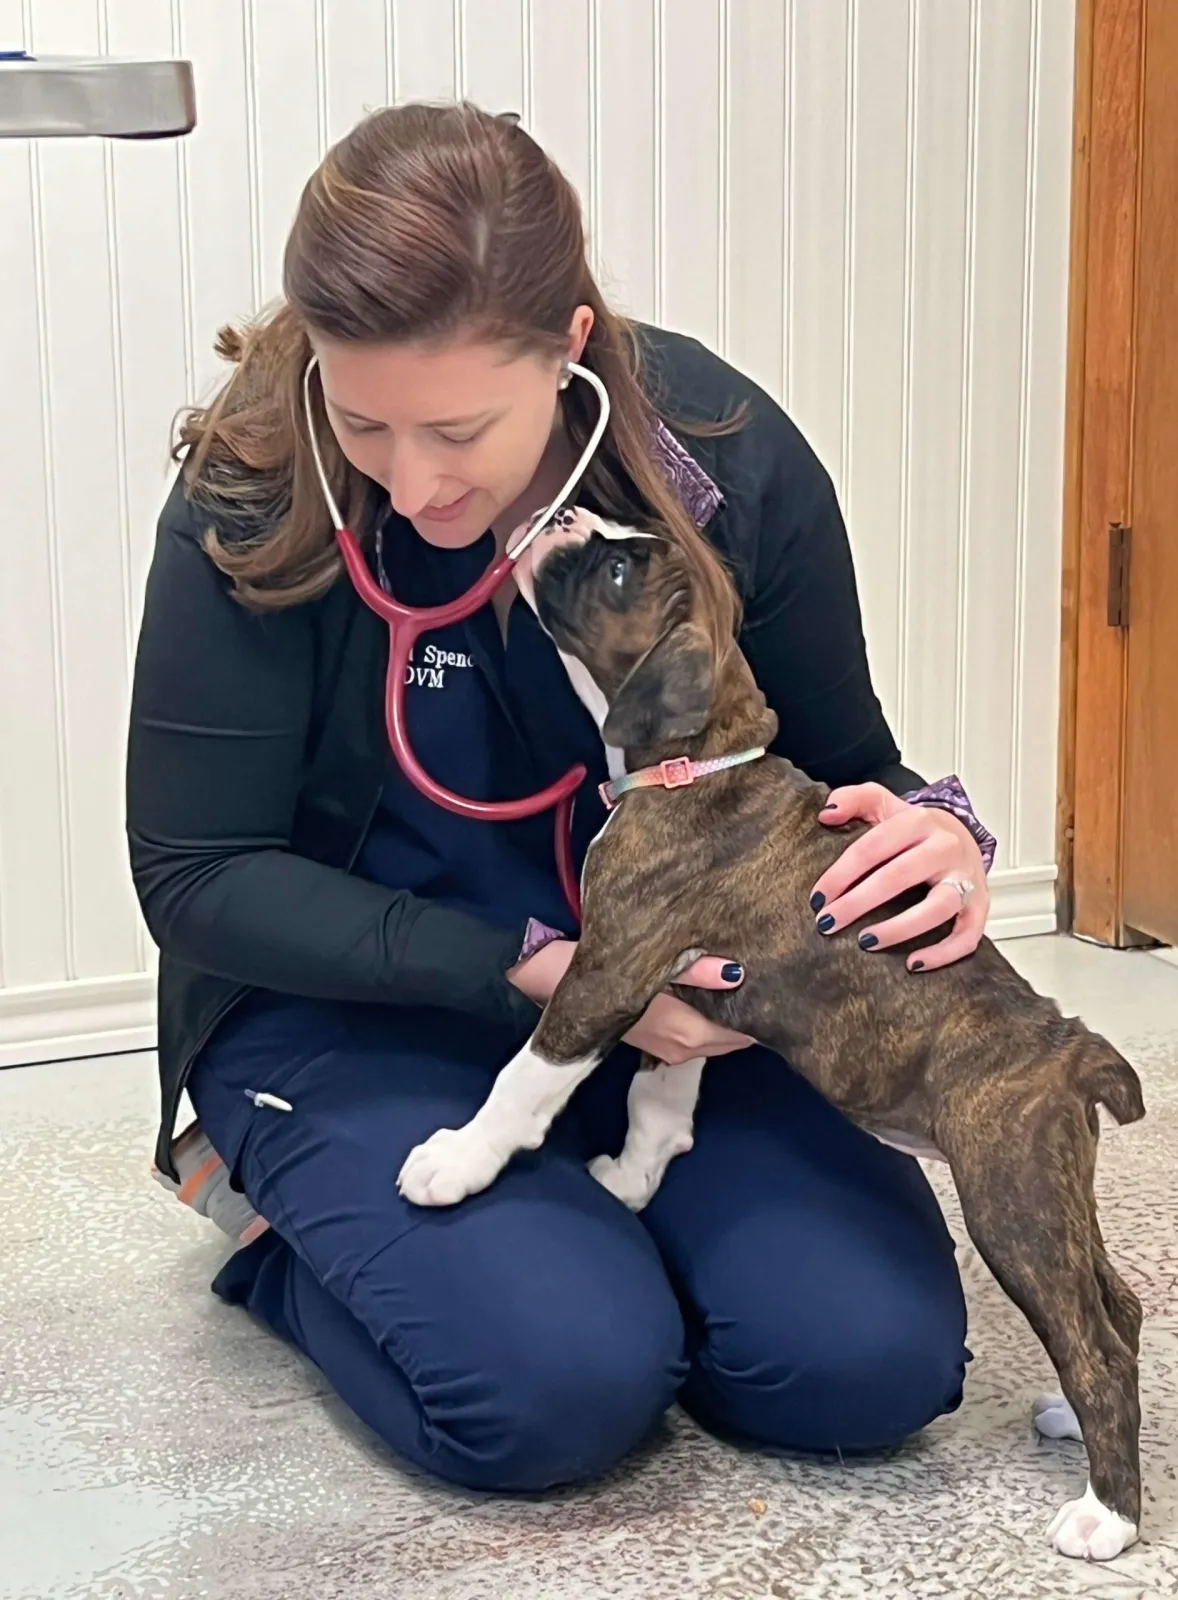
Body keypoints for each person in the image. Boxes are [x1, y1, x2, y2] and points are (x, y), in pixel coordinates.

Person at [128, 103, 997, 1493]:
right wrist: (538, 969)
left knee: (862, 1366)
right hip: (357, 1011)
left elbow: (849, 768)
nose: (414, 483)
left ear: (570, 345)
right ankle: (280, 1236)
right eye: (364, 422)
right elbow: (199, 875)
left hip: (682, 1024)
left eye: (460, 429)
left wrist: (942, 831)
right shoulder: (257, 485)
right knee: (556, 1387)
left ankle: (584, 1236)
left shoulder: (725, 455)